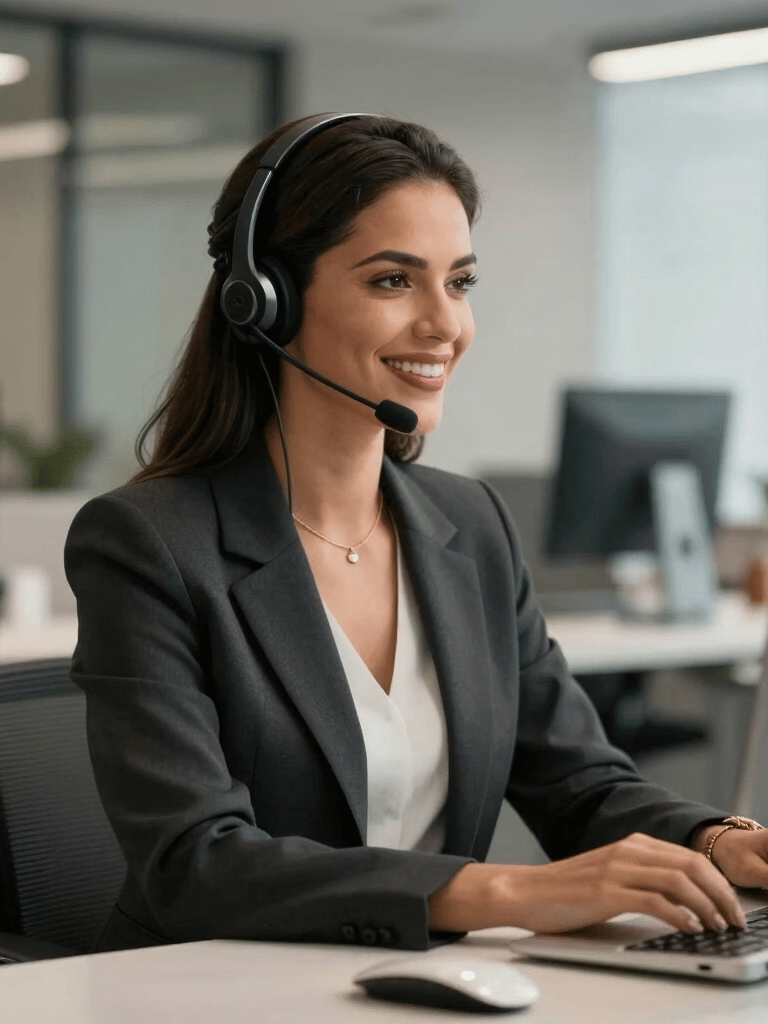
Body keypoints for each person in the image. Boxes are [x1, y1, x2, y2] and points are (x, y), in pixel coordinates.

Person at [65, 112, 767, 954]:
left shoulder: (469, 526)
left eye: (460, 282)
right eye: (394, 281)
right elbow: (195, 865)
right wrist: (507, 890)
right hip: (212, 993)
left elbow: (576, 780)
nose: (446, 325)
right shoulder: (148, 545)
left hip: (428, 994)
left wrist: (717, 842)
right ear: (267, 300)